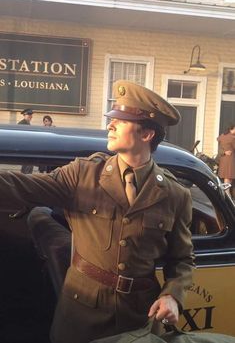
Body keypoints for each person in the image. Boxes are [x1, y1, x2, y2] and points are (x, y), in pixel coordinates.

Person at [0, 80, 195, 343]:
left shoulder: (175, 195)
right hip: (81, 316)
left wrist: (172, 295)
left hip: (139, 318)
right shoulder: (84, 174)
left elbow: (181, 259)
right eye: (112, 119)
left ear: (147, 134)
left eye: (121, 121)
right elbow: (22, 186)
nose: (110, 125)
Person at [9, 108, 34, 218]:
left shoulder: (27, 123)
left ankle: (24, 185)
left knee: (27, 170)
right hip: (26, 151)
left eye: (31, 115)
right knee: (26, 171)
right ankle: (24, 187)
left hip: (28, 151)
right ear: (24, 115)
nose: (30, 116)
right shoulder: (22, 124)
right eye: (28, 115)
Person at [217, 123, 235, 198]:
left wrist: (224, 152)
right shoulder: (232, 138)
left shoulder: (222, 136)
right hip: (230, 161)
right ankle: (227, 199)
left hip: (223, 160)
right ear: (232, 129)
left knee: (227, 181)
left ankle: (226, 197)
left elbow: (218, 140)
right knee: (227, 182)